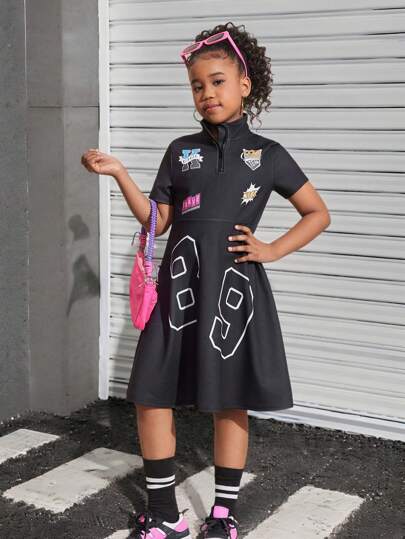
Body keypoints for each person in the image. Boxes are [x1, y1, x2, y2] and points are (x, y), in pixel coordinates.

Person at [81, 20, 330, 539]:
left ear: (245, 85)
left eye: (218, 81)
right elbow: (157, 223)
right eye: (197, 85)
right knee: (151, 394)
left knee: (229, 399)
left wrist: (271, 249)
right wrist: (120, 173)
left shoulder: (269, 155)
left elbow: (316, 213)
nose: (207, 93)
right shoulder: (180, 151)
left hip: (234, 293)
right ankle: (165, 515)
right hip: (179, 291)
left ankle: (222, 515)